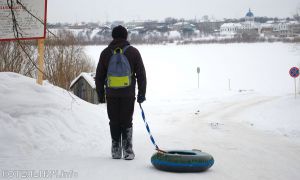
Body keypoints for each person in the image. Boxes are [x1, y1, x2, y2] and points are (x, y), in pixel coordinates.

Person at [95, 25, 147, 160]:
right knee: (127, 120)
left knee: (114, 120)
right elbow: (141, 74)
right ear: (126, 36)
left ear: (113, 36)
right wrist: (142, 93)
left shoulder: (105, 53)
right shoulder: (134, 52)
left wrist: (101, 95)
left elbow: (99, 76)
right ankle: (128, 150)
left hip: (111, 94)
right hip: (128, 94)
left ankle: (116, 150)